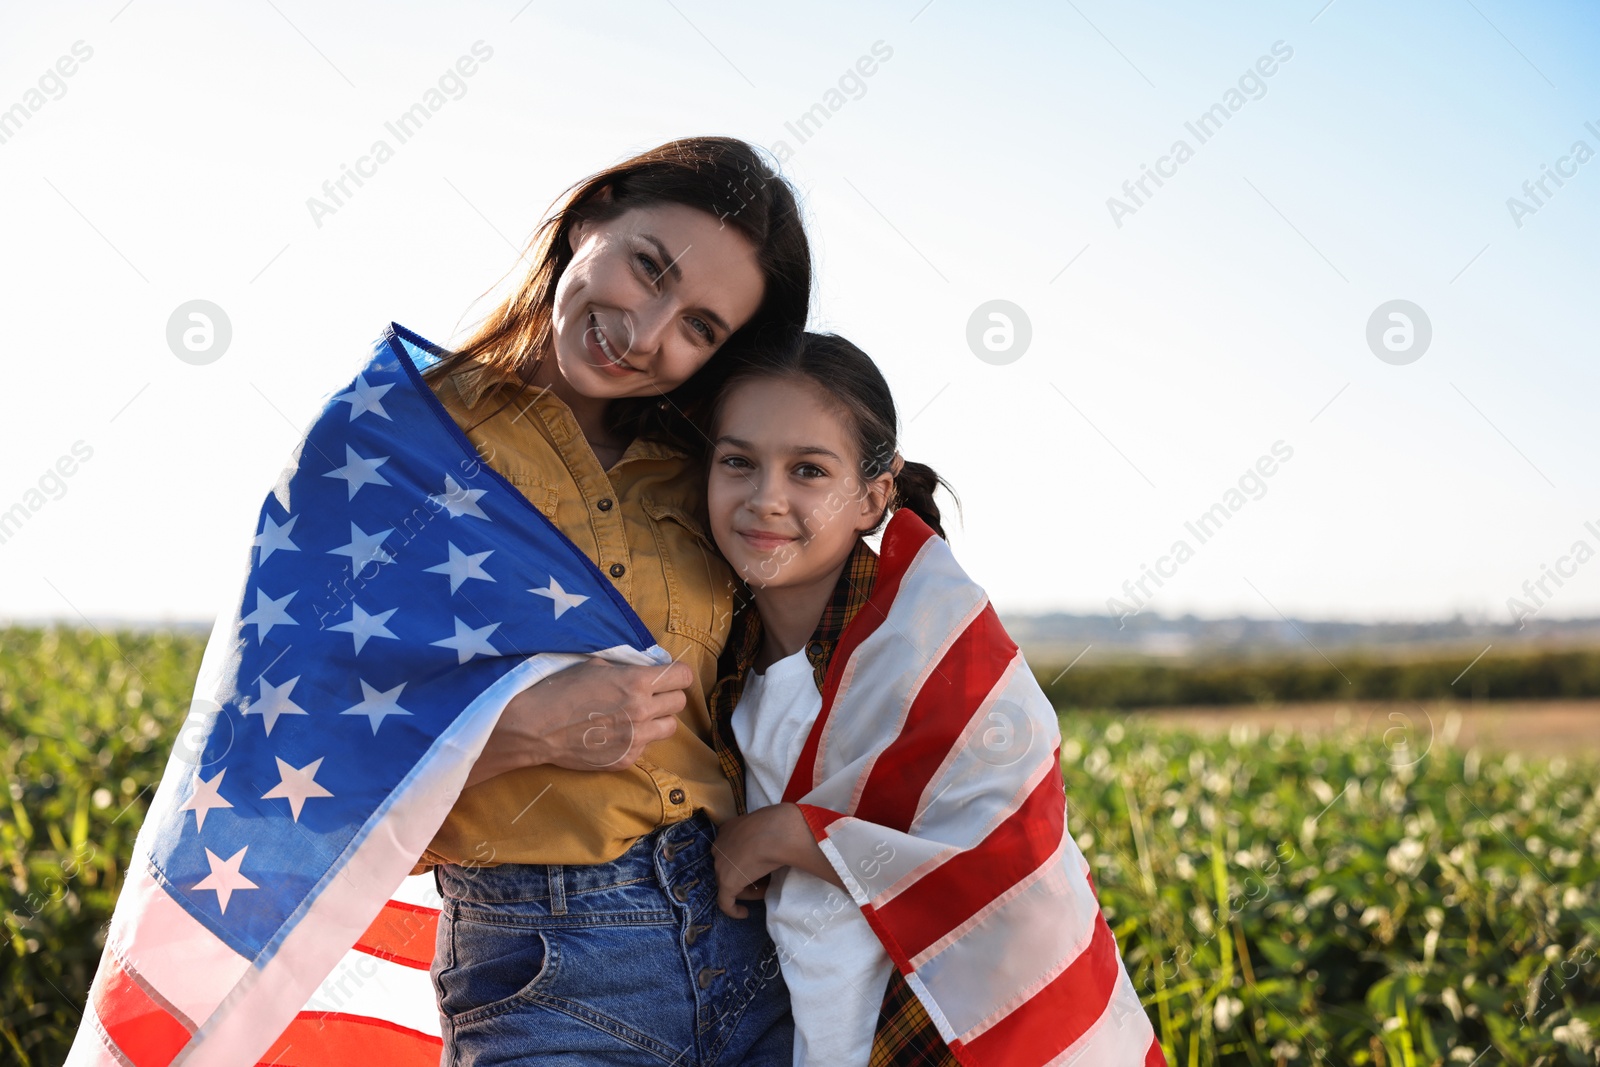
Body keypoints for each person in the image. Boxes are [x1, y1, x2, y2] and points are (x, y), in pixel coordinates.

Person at [414, 136, 811, 1066]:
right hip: (540, 965)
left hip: (749, 941)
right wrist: (520, 731)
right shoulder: (402, 441)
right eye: (647, 266)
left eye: (701, 327)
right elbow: (294, 751)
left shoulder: (713, 473)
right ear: (590, 215)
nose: (646, 334)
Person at [703, 332, 1163, 1066]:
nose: (766, 497)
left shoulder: (933, 641)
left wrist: (787, 834)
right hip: (812, 1034)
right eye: (737, 462)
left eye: (809, 470)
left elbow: (1007, 849)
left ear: (874, 495)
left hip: (951, 1027)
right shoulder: (714, 652)